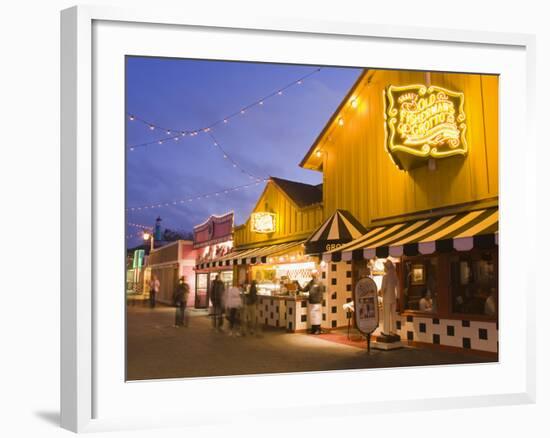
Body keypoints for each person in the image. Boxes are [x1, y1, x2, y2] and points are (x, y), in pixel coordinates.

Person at [380, 259, 398, 336]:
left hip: (387, 299)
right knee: (394, 315)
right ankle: (394, 331)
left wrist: (380, 292)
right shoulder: (394, 276)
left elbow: (383, 288)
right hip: (393, 298)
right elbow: (398, 286)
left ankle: (386, 331)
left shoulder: (385, 277)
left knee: (386, 315)